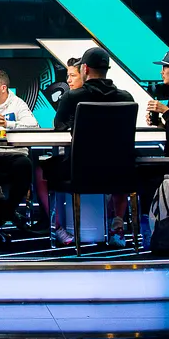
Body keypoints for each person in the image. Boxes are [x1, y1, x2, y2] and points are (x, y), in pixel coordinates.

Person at [48, 46, 133, 247]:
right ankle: (117, 225)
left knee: (43, 169)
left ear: (85, 69)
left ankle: (58, 228)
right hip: (118, 172)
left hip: (81, 171)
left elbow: (59, 127)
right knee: (123, 163)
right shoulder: (125, 98)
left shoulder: (72, 97)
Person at [0, 70, 37, 230]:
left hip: (15, 153)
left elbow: (33, 126)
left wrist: (7, 124)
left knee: (24, 166)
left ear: (3, 88)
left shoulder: (17, 104)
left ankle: (6, 211)